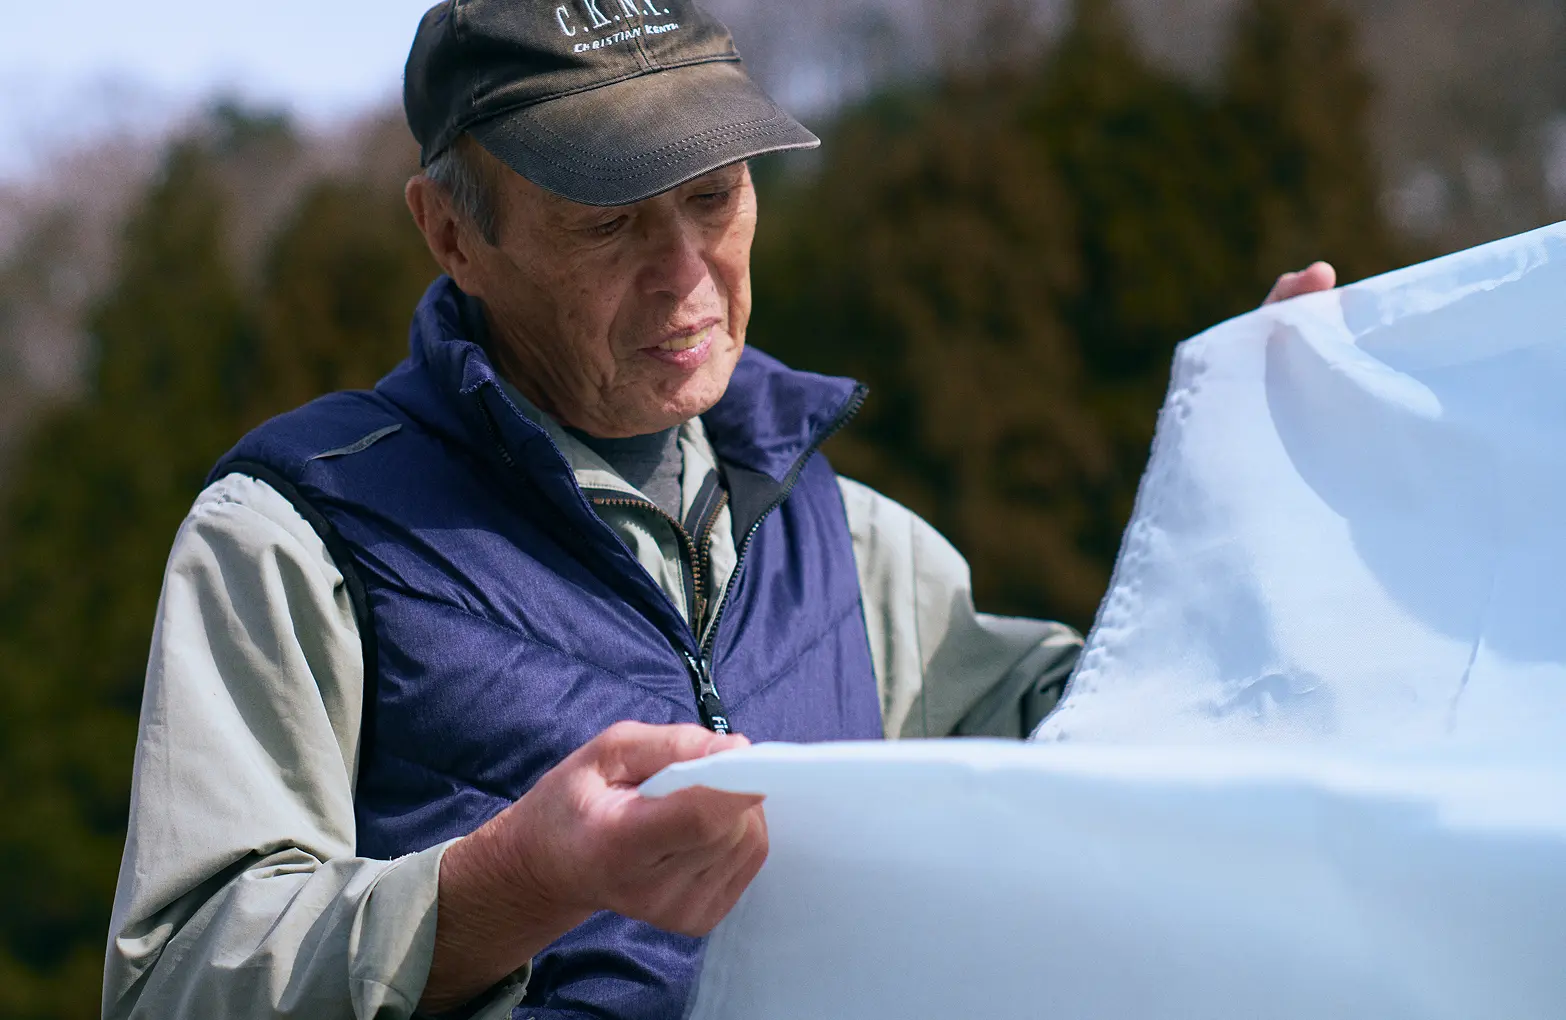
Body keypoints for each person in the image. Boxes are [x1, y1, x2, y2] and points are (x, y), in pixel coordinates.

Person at [101, 2, 1336, 1018]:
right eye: (609, 220)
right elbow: (169, 982)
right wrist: (512, 883)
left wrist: (1251, 501)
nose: (688, 273)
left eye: (716, 196)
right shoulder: (298, 533)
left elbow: (1123, 739)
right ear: (452, 236)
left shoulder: (843, 535)